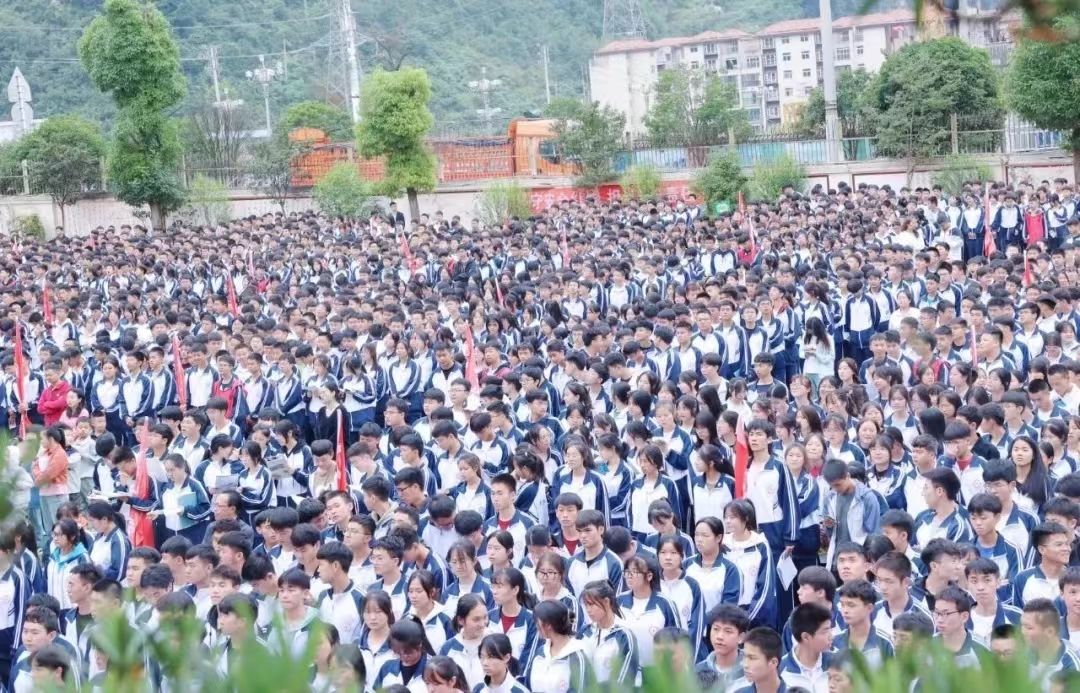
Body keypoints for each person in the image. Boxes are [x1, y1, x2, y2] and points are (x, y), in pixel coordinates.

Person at [578, 581, 639, 686]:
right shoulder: (584, 632)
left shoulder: (624, 635)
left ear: (606, 601)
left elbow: (625, 680)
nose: (588, 610)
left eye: (591, 604)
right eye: (586, 605)